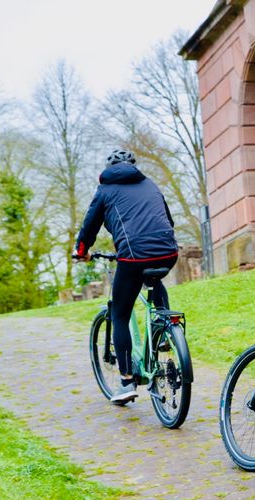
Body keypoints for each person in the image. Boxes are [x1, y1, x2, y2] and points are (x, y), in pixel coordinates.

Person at [74, 149, 179, 405]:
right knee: (154, 279)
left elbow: (90, 225)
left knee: (120, 314)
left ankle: (126, 381)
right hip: (168, 250)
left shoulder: (105, 190)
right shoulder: (149, 183)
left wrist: (80, 252)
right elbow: (170, 220)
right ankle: (164, 331)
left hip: (133, 255)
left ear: (108, 168)